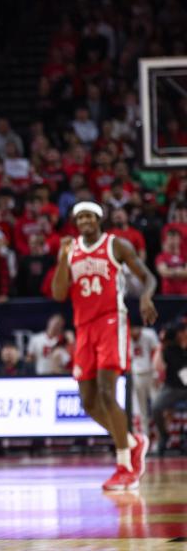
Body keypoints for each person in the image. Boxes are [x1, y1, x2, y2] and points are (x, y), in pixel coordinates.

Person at [51, 201, 157, 491]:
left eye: (89, 216)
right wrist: (62, 258)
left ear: (98, 219)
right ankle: (134, 442)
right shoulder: (70, 251)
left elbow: (148, 277)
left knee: (108, 392)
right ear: (76, 222)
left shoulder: (116, 245)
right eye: (80, 217)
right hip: (83, 327)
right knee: (87, 400)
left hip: (111, 321)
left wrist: (146, 297)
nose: (85, 220)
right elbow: (59, 293)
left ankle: (125, 465)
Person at [151, 320, 187, 454]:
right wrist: (161, 345)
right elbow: (157, 367)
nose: (182, 335)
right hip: (172, 387)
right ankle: (164, 436)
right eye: (179, 333)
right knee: (156, 407)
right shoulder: (169, 348)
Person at [129, 324, 160, 435]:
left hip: (151, 374)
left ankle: (159, 437)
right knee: (139, 410)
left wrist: (157, 374)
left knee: (157, 406)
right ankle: (144, 437)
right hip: (136, 375)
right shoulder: (125, 336)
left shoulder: (149, 334)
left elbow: (156, 353)